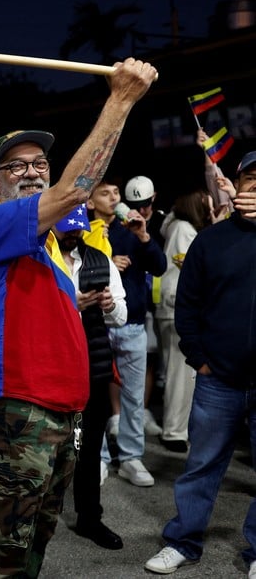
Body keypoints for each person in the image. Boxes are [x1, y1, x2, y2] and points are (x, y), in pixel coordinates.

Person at [0, 57, 157, 577]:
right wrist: (121, 101)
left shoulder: (46, 245)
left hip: (60, 413)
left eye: (39, 164)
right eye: (16, 165)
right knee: (0, 552)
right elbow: (74, 191)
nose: (31, 171)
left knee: (35, 540)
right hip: (18, 410)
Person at [144, 151, 256, 575]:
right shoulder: (210, 239)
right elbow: (187, 305)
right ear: (236, 184)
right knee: (201, 467)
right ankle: (183, 541)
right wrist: (200, 359)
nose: (255, 186)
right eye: (250, 178)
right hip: (219, 380)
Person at [51, 205, 127, 551]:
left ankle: (89, 518)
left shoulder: (99, 259)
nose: (73, 235)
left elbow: (122, 318)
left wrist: (109, 305)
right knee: (46, 446)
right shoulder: (41, 258)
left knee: (89, 447)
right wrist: (70, 305)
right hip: (50, 366)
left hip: (92, 367)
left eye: (77, 229)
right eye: (67, 228)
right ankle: (37, 517)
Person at [88, 179, 166, 487]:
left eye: (115, 193)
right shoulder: (82, 233)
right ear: (90, 201)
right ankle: (100, 457)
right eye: (104, 193)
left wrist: (144, 236)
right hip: (96, 326)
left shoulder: (131, 229)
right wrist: (107, 262)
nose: (113, 197)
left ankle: (131, 457)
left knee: (134, 397)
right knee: (97, 399)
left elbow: (159, 267)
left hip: (132, 324)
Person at [155, 189, 215, 453]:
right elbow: (192, 265)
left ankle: (178, 428)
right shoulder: (181, 228)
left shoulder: (178, 225)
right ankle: (173, 432)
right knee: (179, 375)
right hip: (175, 306)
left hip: (172, 305)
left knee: (180, 374)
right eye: (206, 204)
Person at [121, 175, 165, 439]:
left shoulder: (159, 221)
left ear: (154, 199)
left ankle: (144, 411)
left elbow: (160, 265)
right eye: (137, 204)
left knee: (149, 361)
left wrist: (146, 236)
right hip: (126, 306)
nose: (143, 209)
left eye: (147, 203)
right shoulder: (122, 226)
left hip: (150, 301)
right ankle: (116, 418)